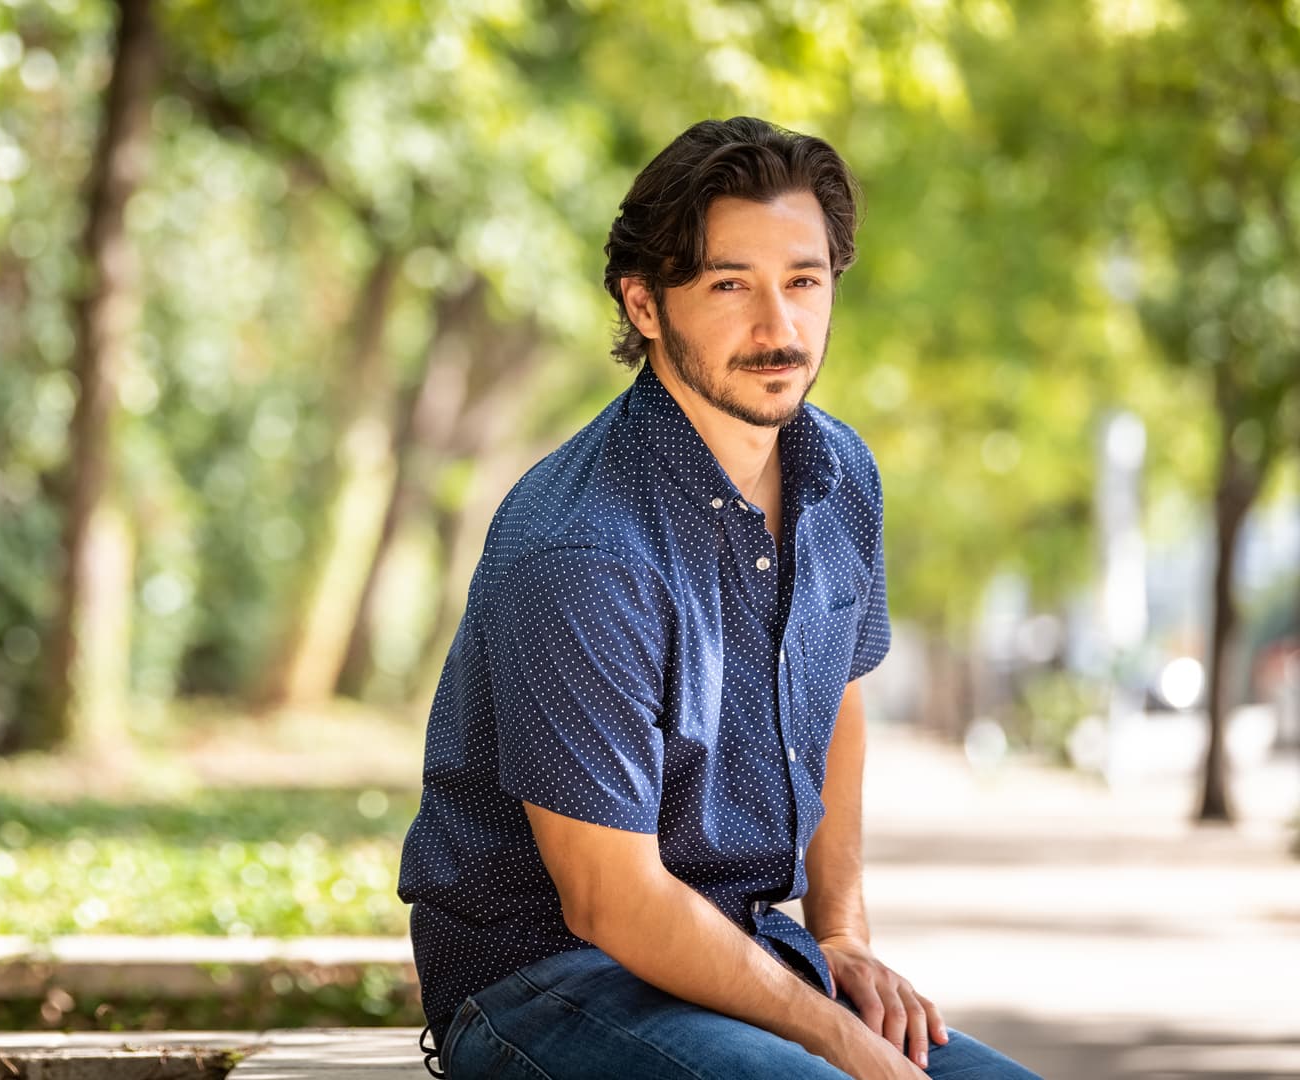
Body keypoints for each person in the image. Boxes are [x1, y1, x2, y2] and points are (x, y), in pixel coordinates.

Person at [395, 117, 1042, 1079]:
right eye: (731, 285)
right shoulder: (582, 545)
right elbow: (609, 901)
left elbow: (839, 694)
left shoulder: (840, 473)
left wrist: (842, 933)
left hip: (743, 952)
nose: (780, 329)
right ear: (645, 303)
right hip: (548, 984)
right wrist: (841, 1040)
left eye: (804, 282)